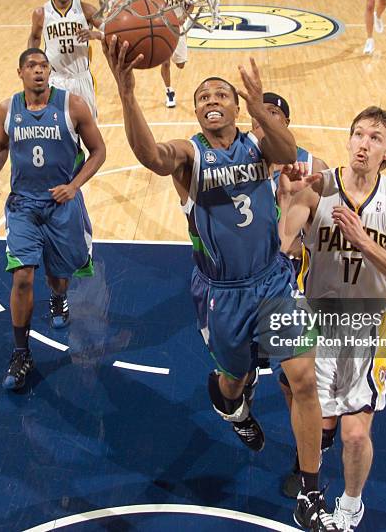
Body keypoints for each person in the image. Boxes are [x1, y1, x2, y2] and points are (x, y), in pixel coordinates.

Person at [103, 36, 339, 531]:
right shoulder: (189, 156)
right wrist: (126, 94)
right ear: (196, 112)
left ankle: (313, 495)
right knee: (234, 381)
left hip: (273, 281)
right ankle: (231, 403)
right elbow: (149, 155)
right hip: (221, 294)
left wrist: (261, 105)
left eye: (221, 95)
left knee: (302, 378)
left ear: (235, 107)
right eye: (203, 97)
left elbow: (289, 148)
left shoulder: (261, 145)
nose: (212, 101)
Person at [277, 106, 386, 529]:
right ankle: (311, 483)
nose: (363, 143)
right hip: (316, 320)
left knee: (356, 434)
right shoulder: (319, 188)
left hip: (366, 328)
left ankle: (351, 504)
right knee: (315, 420)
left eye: (375, 138)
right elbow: (283, 245)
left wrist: (364, 241)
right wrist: (286, 197)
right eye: (358, 134)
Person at [0, 48, 106, 391]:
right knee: (22, 276)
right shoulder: (8, 109)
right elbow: (0, 144)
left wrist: (74, 185)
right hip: (23, 206)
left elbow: (99, 150)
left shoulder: (73, 105)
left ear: (50, 71)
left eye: (43, 66)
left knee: (58, 276)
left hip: (60, 205)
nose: (38, 71)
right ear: (19, 72)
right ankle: (21, 353)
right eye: (31, 66)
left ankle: (58, 297)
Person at [251, 91, 328, 294]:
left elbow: (330, 227)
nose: (264, 117)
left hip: (295, 270)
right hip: (250, 267)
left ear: (287, 121)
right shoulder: (239, 163)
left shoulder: (313, 166)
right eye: (259, 112)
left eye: (273, 112)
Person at [28, 0, 102, 121]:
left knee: (89, 128)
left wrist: (95, 35)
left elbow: (111, 32)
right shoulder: (41, 13)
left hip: (81, 78)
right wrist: (32, 64)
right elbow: (35, 37)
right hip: (56, 79)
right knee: (58, 130)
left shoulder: (86, 9)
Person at [157, 0, 192, 108]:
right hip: (164, 27)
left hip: (179, 26)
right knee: (165, 62)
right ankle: (169, 91)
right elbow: (152, 8)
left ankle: (173, 54)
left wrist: (184, 16)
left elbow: (191, 5)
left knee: (181, 64)